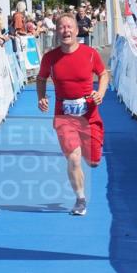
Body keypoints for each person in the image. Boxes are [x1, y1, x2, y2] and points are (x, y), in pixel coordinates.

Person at [36, 13, 110, 217]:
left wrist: (100, 93)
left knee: (92, 161)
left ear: (77, 31)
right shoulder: (50, 58)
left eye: (69, 27)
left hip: (89, 114)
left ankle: (91, 156)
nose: (66, 30)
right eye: (61, 27)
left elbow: (103, 74)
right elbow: (41, 78)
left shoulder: (90, 53)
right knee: (74, 158)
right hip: (64, 115)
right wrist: (41, 97)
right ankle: (80, 199)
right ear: (56, 31)